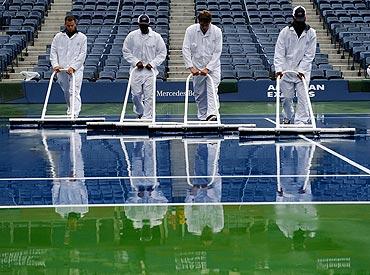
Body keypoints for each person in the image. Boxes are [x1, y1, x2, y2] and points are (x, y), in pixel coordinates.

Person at [274, 6, 317, 125]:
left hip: (303, 72)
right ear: (293, 17)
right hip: (286, 70)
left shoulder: (311, 33)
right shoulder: (285, 32)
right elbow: (279, 52)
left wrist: (302, 70)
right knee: (287, 98)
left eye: (302, 18)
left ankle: (301, 121)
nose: (300, 21)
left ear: (305, 17)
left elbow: (310, 54)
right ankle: (287, 116)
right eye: (298, 18)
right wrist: (278, 69)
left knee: (303, 97)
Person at [122, 14, 167, 120]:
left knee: (149, 95)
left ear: (149, 24)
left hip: (150, 71)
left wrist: (153, 63)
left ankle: (148, 116)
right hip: (136, 71)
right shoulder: (132, 36)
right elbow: (126, 51)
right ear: (138, 25)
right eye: (141, 25)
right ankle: (140, 112)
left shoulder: (156, 37)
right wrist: (135, 62)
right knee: (136, 95)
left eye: (145, 25)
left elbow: (162, 53)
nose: (143, 27)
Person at [182, 10, 222, 121]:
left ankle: (212, 114)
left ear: (210, 22)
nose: (204, 27)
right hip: (197, 66)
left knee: (212, 90)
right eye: (202, 25)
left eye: (206, 25)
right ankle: (203, 116)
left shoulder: (217, 31)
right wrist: (191, 67)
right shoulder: (190, 31)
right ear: (198, 22)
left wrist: (208, 68)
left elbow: (217, 52)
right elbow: (185, 49)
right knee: (199, 93)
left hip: (213, 68)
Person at [50, 15, 87, 118]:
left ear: (75, 24)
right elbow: (53, 52)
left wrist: (74, 67)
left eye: (72, 25)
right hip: (61, 69)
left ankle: (74, 114)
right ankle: (70, 108)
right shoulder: (58, 37)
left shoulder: (82, 37)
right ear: (65, 25)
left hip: (76, 70)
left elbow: (82, 54)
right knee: (66, 91)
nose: (70, 27)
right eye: (68, 25)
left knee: (74, 90)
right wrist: (55, 65)